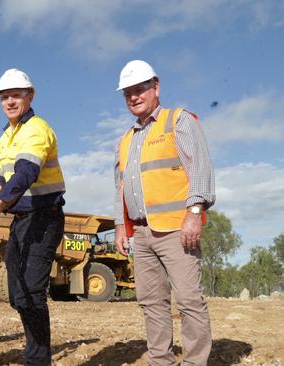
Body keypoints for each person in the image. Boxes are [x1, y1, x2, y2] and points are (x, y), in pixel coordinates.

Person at [113, 60, 215, 366]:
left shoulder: (178, 121)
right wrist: (121, 225)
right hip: (142, 235)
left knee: (188, 300)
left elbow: (200, 166)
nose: (134, 96)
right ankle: (161, 361)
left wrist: (194, 211)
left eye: (140, 89)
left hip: (176, 229)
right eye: (128, 92)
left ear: (156, 87)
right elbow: (120, 186)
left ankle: (195, 362)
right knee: (151, 303)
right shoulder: (126, 139)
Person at [0, 68, 66, 365]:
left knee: (32, 291)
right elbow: (5, 176)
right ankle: (35, 352)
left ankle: (38, 359)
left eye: (16, 95)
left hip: (44, 219)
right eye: (5, 96)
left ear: (30, 96)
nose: (10, 101)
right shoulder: (6, 136)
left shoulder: (36, 129)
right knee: (17, 293)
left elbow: (26, 173)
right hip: (22, 221)